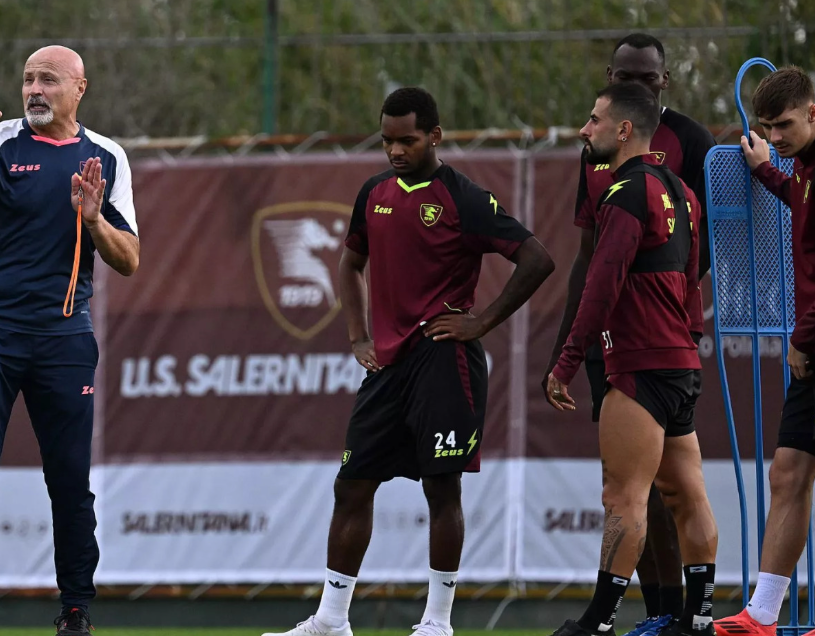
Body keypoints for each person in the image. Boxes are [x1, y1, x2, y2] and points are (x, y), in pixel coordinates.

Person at [264, 88, 554, 636]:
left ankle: (436, 623)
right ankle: (331, 621)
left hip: (446, 362)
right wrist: (357, 337)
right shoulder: (373, 192)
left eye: (408, 140)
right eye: (387, 140)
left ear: (435, 136)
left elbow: (538, 258)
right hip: (388, 366)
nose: (395, 150)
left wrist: (481, 321)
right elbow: (350, 265)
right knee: (352, 486)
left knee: (441, 490)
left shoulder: (462, 197)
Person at [0, 45, 139, 636]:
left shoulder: (107, 157)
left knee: (70, 480)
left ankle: (75, 611)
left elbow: (130, 261)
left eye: (48, 79)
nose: (34, 89)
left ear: (80, 88)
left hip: (65, 336)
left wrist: (95, 220)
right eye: (27, 79)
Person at [542, 33, 716, 636]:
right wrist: (687, 337)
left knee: (623, 497)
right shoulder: (685, 194)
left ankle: (598, 620)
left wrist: (566, 361)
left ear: (622, 131)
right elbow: (692, 283)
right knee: (688, 494)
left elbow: (600, 282)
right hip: (679, 362)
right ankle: (696, 620)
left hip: (638, 364)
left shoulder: (624, 191)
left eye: (593, 120)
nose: (584, 129)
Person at [713, 67, 815, 636]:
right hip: (811, 347)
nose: (776, 137)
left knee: (792, 472)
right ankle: (763, 614)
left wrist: (802, 338)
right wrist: (764, 169)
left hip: (812, 342)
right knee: (788, 473)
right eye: (768, 128)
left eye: (785, 125)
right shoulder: (798, 168)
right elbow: (796, 202)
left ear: (813, 112)